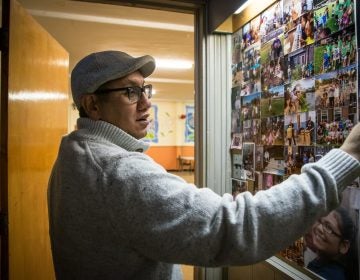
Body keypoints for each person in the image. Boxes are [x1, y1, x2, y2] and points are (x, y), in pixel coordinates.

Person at [48, 50, 360, 280]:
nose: (146, 103)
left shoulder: (72, 153)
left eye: (145, 89)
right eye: (130, 92)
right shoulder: (119, 173)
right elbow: (234, 225)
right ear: (92, 105)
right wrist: (347, 157)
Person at [304, 207, 357, 280]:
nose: (319, 228)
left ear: (343, 246)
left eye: (328, 227)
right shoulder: (320, 262)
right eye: (320, 221)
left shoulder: (332, 276)